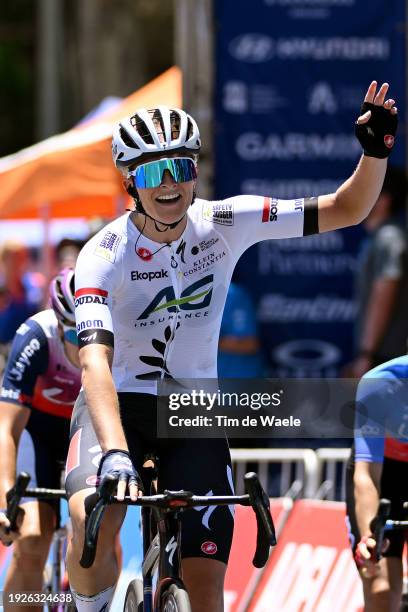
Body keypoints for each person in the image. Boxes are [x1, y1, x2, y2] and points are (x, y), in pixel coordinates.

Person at [66, 82, 398, 612]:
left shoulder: (225, 222)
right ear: (132, 183)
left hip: (191, 410)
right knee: (93, 523)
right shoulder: (103, 256)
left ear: (196, 172)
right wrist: (115, 454)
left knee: (206, 585)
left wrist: (374, 153)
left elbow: (347, 208)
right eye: (154, 173)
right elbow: (94, 364)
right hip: (118, 408)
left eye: (182, 168)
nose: (170, 184)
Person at [0, 268, 81, 611]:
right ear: (59, 325)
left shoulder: (121, 335)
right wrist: (6, 500)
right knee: (32, 538)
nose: (83, 348)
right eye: (75, 337)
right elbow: (7, 428)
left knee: (99, 537)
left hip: (84, 432)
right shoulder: (35, 336)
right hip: (37, 435)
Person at [346, 356, 408, 612]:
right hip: (383, 473)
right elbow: (367, 474)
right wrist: (369, 538)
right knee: (380, 587)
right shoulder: (379, 383)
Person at [344, 166, 408, 378]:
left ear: (384, 200)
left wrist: (366, 354)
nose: (356, 197)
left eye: (366, 191)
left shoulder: (388, 238)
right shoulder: (379, 238)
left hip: (388, 360)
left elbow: (386, 289)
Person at [218, 280, 264, 379]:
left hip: (237, 382)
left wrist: (199, 341)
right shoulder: (180, 293)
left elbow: (248, 343)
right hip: (198, 385)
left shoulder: (233, 294)